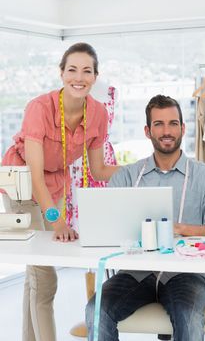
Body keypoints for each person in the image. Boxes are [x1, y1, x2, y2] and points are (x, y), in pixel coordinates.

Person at [86, 94, 205, 341]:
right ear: (147, 130)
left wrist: (179, 228)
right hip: (136, 272)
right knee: (96, 311)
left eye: (173, 123)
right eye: (159, 124)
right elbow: (107, 224)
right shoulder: (127, 177)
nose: (167, 131)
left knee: (188, 317)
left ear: (183, 128)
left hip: (187, 274)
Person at [1, 42, 119, 341]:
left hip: (54, 181)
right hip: (22, 184)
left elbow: (98, 170)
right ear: (61, 73)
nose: (79, 77)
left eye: (87, 71)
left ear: (95, 75)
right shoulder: (40, 108)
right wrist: (57, 221)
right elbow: (36, 176)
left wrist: (147, 167)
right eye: (72, 70)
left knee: (36, 276)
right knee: (46, 276)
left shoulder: (98, 113)